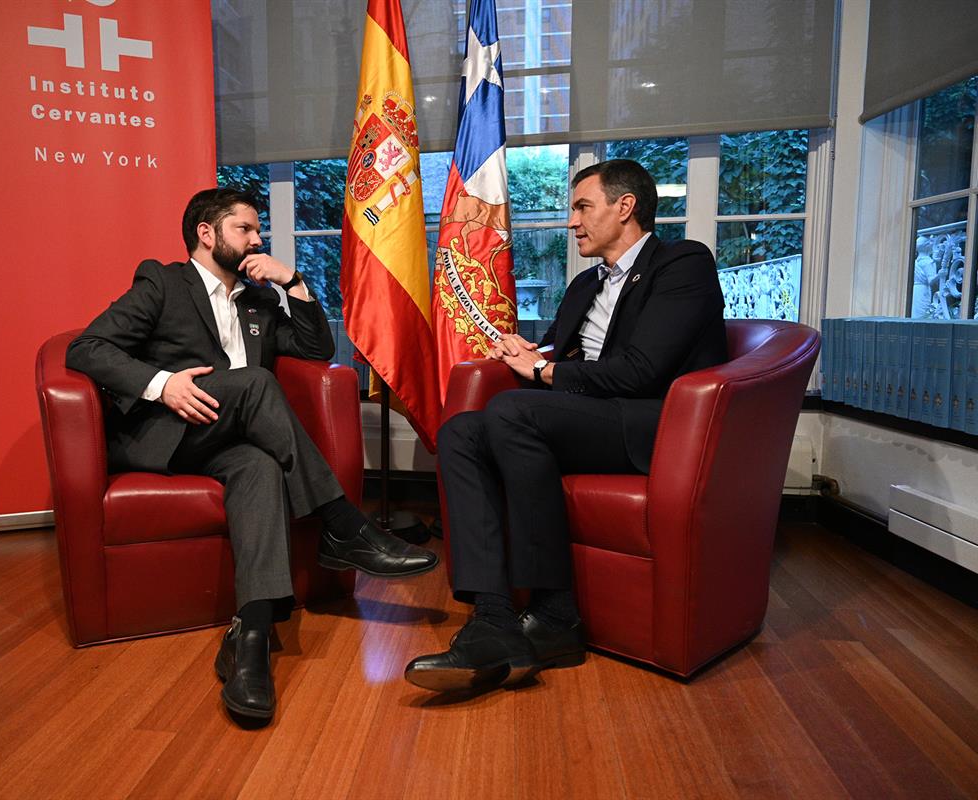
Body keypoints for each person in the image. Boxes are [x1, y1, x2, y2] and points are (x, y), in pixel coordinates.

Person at [67, 187, 438, 722]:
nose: (256, 239)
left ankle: (252, 641)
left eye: (257, 230)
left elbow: (315, 350)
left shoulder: (258, 298)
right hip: (171, 434)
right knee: (260, 383)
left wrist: (296, 283)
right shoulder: (162, 282)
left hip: (230, 441)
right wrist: (161, 384)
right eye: (245, 228)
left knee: (260, 467)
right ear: (207, 233)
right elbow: (87, 347)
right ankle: (343, 526)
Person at [405, 159, 727, 692]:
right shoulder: (584, 286)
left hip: (655, 425)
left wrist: (545, 369)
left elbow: (641, 371)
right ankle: (493, 618)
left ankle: (556, 615)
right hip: (591, 418)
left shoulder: (683, 264)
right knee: (461, 431)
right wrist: (529, 351)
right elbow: (560, 351)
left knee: (513, 411)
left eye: (582, 207)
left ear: (626, 208)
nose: (572, 222)